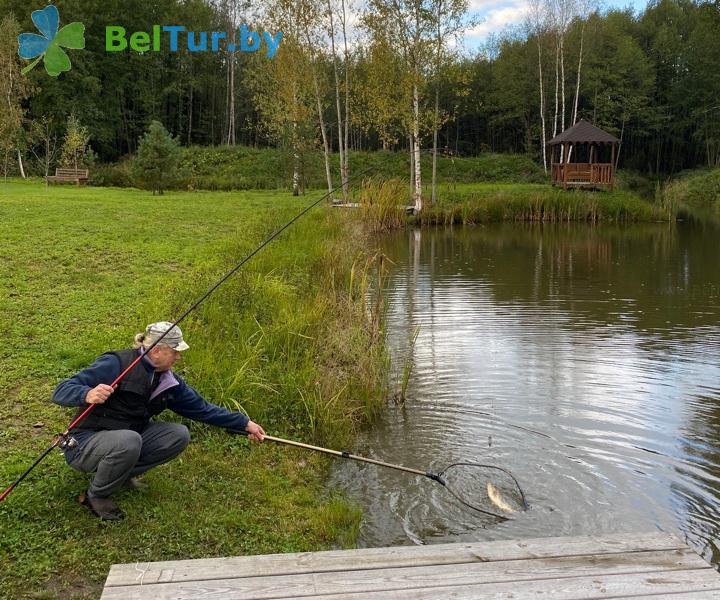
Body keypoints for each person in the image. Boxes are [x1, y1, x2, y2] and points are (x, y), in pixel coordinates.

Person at [52, 321, 265, 521]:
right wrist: (87, 393)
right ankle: (96, 495)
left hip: (127, 438)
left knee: (178, 435)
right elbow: (61, 390)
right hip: (84, 443)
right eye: (175, 352)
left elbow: (203, 409)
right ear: (156, 350)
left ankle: (120, 474)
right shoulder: (116, 363)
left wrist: (244, 423)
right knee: (129, 440)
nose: (178, 358)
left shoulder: (169, 381)